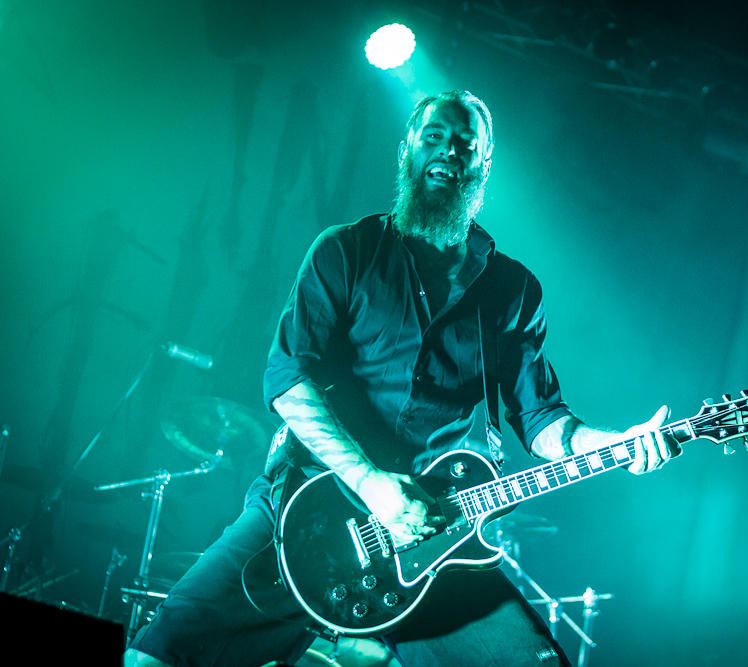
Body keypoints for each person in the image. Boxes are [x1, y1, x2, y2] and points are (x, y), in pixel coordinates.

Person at [125, 90, 680, 667]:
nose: (448, 151)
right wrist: (371, 484)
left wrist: (617, 444)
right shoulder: (346, 251)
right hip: (309, 511)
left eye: (465, 144)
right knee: (157, 657)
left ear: (484, 166)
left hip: (436, 533)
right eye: (433, 137)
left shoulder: (512, 290)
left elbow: (541, 420)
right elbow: (289, 378)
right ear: (406, 150)